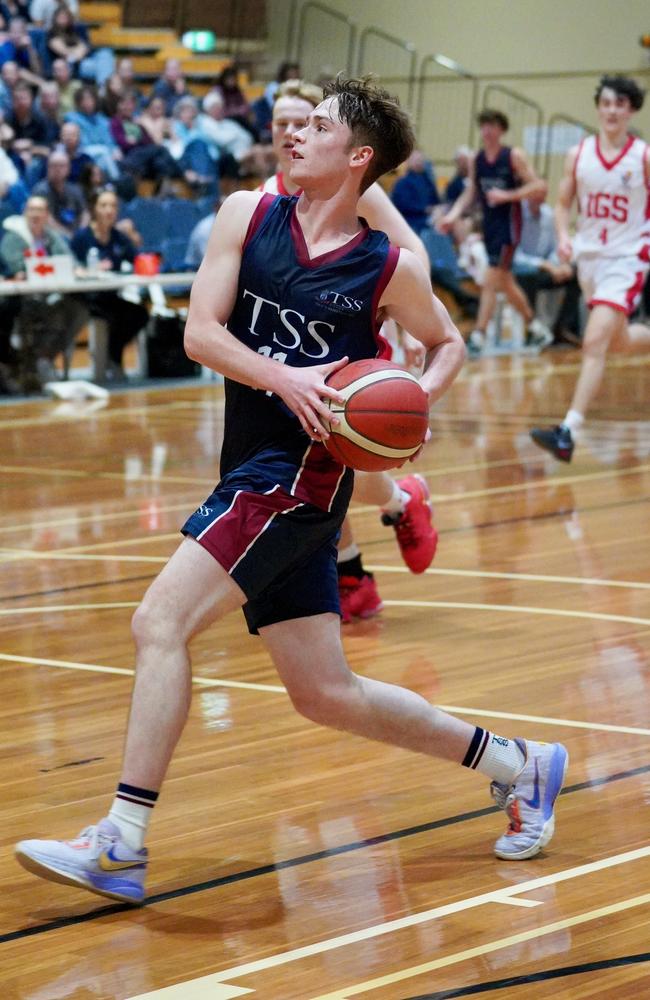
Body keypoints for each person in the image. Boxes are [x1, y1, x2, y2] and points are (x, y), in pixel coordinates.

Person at [15, 77, 567, 905]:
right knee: (326, 695)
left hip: (298, 483)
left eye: (315, 126)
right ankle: (520, 765)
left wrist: (412, 404)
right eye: (294, 123)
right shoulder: (248, 216)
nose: (293, 133)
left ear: (358, 157)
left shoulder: (388, 264)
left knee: (157, 620)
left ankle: (121, 843)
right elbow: (201, 334)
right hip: (250, 466)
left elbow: (445, 343)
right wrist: (289, 376)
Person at [266, 78, 439, 621]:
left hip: (352, 354)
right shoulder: (269, 196)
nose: (291, 131)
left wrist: (412, 330)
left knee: (338, 464)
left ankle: (394, 513)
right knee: (313, 473)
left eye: (305, 121)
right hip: (289, 362)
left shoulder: (350, 183)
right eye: (281, 123)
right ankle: (357, 567)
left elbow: (410, 252)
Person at [530, 75, 650, 462]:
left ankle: (568, 431)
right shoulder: (578, 154)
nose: (613, 110)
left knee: (595, 340)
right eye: (607, 103)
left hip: (628, 258)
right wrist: (564, 235)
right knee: (617, 342)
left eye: (621, 104)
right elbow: (563, 203)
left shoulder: (643, 156)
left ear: (631, 110)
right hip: (589, 259)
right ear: (599, 107)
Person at [439, 109, 553, 356]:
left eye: (492, 125)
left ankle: (478, 335)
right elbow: (470, 194)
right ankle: (535, 327)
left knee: (491, 280)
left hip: (509, 227)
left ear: (501, 129)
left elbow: (538, 185)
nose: (487, 131)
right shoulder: (477, 159)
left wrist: (508, 195)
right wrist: (451, 216)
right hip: (489, 227)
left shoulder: (513, 156)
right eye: (483, 126)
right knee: (505, 281)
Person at [0, 193, 88, 390]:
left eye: (40, 210)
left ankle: (44, 357)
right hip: (23, 299)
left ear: (47, 214)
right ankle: (34, 363)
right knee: (53, 313)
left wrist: (76, 268)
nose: (35, 214)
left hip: (50, 293)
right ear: (25, 213)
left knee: (78, 309)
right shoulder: (14, 236)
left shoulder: (51, 236)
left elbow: (69, 259)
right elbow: (15, 267)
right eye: (31, 209)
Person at [69, 187, 149, 380]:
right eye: (104, 205)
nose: (109, 210)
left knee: (139, 314)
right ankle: (110, 359)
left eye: (113, 206)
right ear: (94, 209)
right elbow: (70, 265)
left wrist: (137, 243)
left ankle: (114, 354)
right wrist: (84, 271)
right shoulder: (81, 237)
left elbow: (138, 260)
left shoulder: (119, 238)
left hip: (111, 296)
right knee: (112, 316)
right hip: (87, 298)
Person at [513, 185, 581, 347]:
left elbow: (553, 248)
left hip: (546, 268)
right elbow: (515, 256)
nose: (540, 198)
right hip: (520, 272)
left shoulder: (548, 214)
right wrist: (544, 265)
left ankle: (563, 328)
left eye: (544, 194)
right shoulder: (516, 215)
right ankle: (532, 331)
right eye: (536, 194)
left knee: (575, 274)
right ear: (526, 195)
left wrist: (559, 266)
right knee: (528, 277)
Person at [32, 147, 86, 236]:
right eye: (53, 165)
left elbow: (85, 213)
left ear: (68, 168)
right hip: (51, 236)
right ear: (48, 168)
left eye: (61, 166)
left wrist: (82, 231)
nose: (57, 169)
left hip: (75, 234)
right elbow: (46, 220)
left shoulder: (75, 189)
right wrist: (68, 236)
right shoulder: (40, 191)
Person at [391, 148, 440, 233]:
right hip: (411, 220)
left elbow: (436, 200)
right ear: (408, 162)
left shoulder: (427, 180)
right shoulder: (403, 183)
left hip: (430, 217)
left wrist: (438, 208)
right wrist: (425, 209)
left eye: (421, 160)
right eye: (416, 160)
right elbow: (403, 205)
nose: (419, 162)